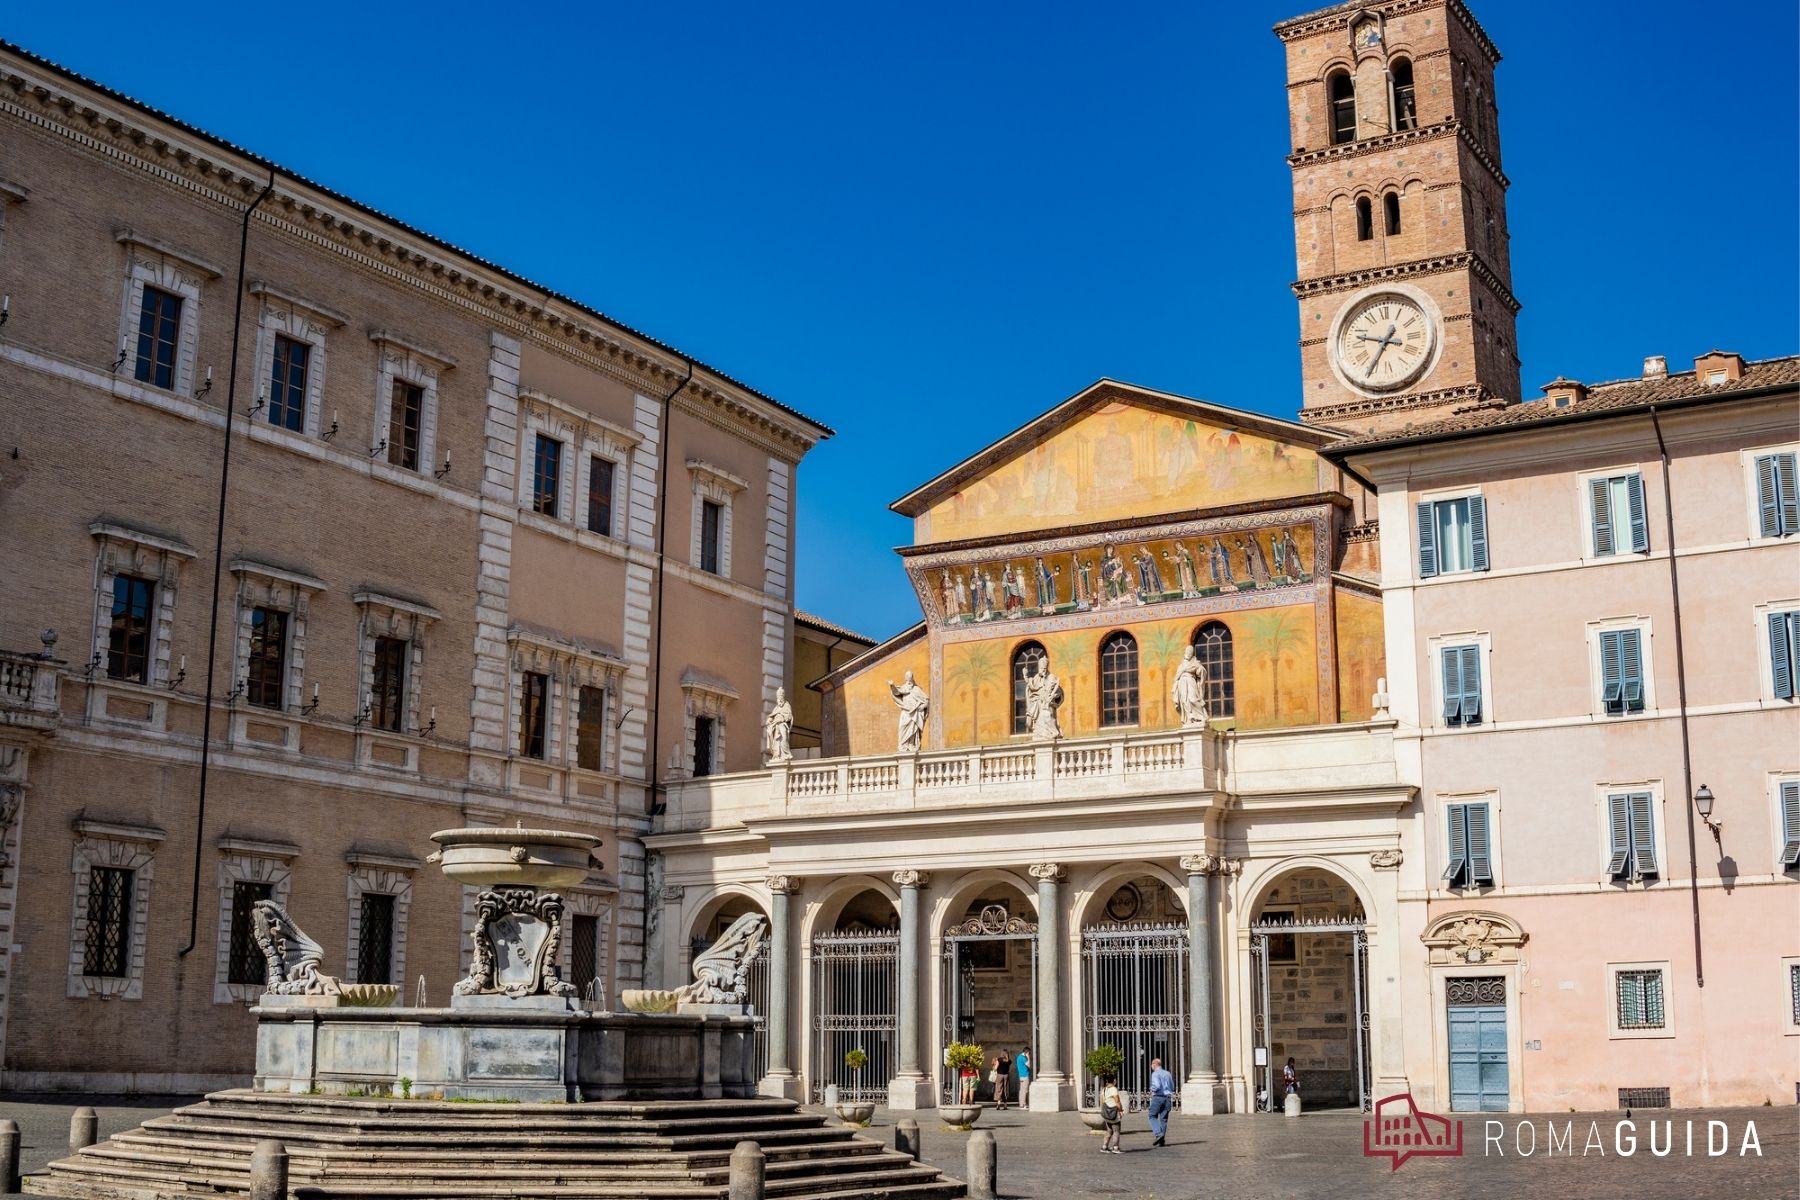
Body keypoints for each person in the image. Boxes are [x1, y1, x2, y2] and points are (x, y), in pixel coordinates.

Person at [1147, 1057, 1175, 1147]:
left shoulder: (1155, 1074)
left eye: (1152, 1065)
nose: (1151, 1066)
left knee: (1152, 1116)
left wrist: (1152, 1088)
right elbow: (1172, 1086)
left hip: (1158, 1097)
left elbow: (1157, 1086)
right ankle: (1162, 1141)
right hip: (1167, 1098)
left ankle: (1159, 1134)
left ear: (1154, 1064)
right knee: (1164, 1119)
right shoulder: (1168, 1073)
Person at [1099, 1072, 1124, 1154]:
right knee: (1116, 1131)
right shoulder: (1114, 1089)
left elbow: (1102, 1102)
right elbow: (1117, 1102)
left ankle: (1104, 1146)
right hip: (1114, 1113)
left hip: (1107, 1113)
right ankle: (1115, 1147)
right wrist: (1121, 1110)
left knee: (1109, 1131)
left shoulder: (1104, 1089)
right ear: (1114, 1080)